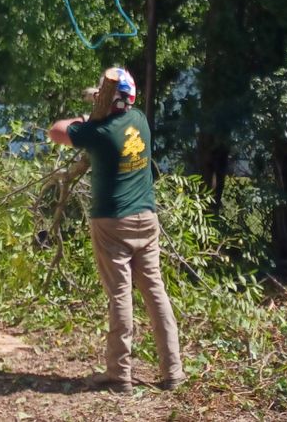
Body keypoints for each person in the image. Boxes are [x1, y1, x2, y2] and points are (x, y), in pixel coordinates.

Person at [48, 67, 185, 394]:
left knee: (120, 296)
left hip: (112, 223)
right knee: (156, 293)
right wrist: (100, 109)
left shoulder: (98, 131)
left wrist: (87, 115)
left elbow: (55, 130)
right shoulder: (139, 119)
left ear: (107, 99)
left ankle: (119, 374)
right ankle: (174, 371)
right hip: (146, 219)